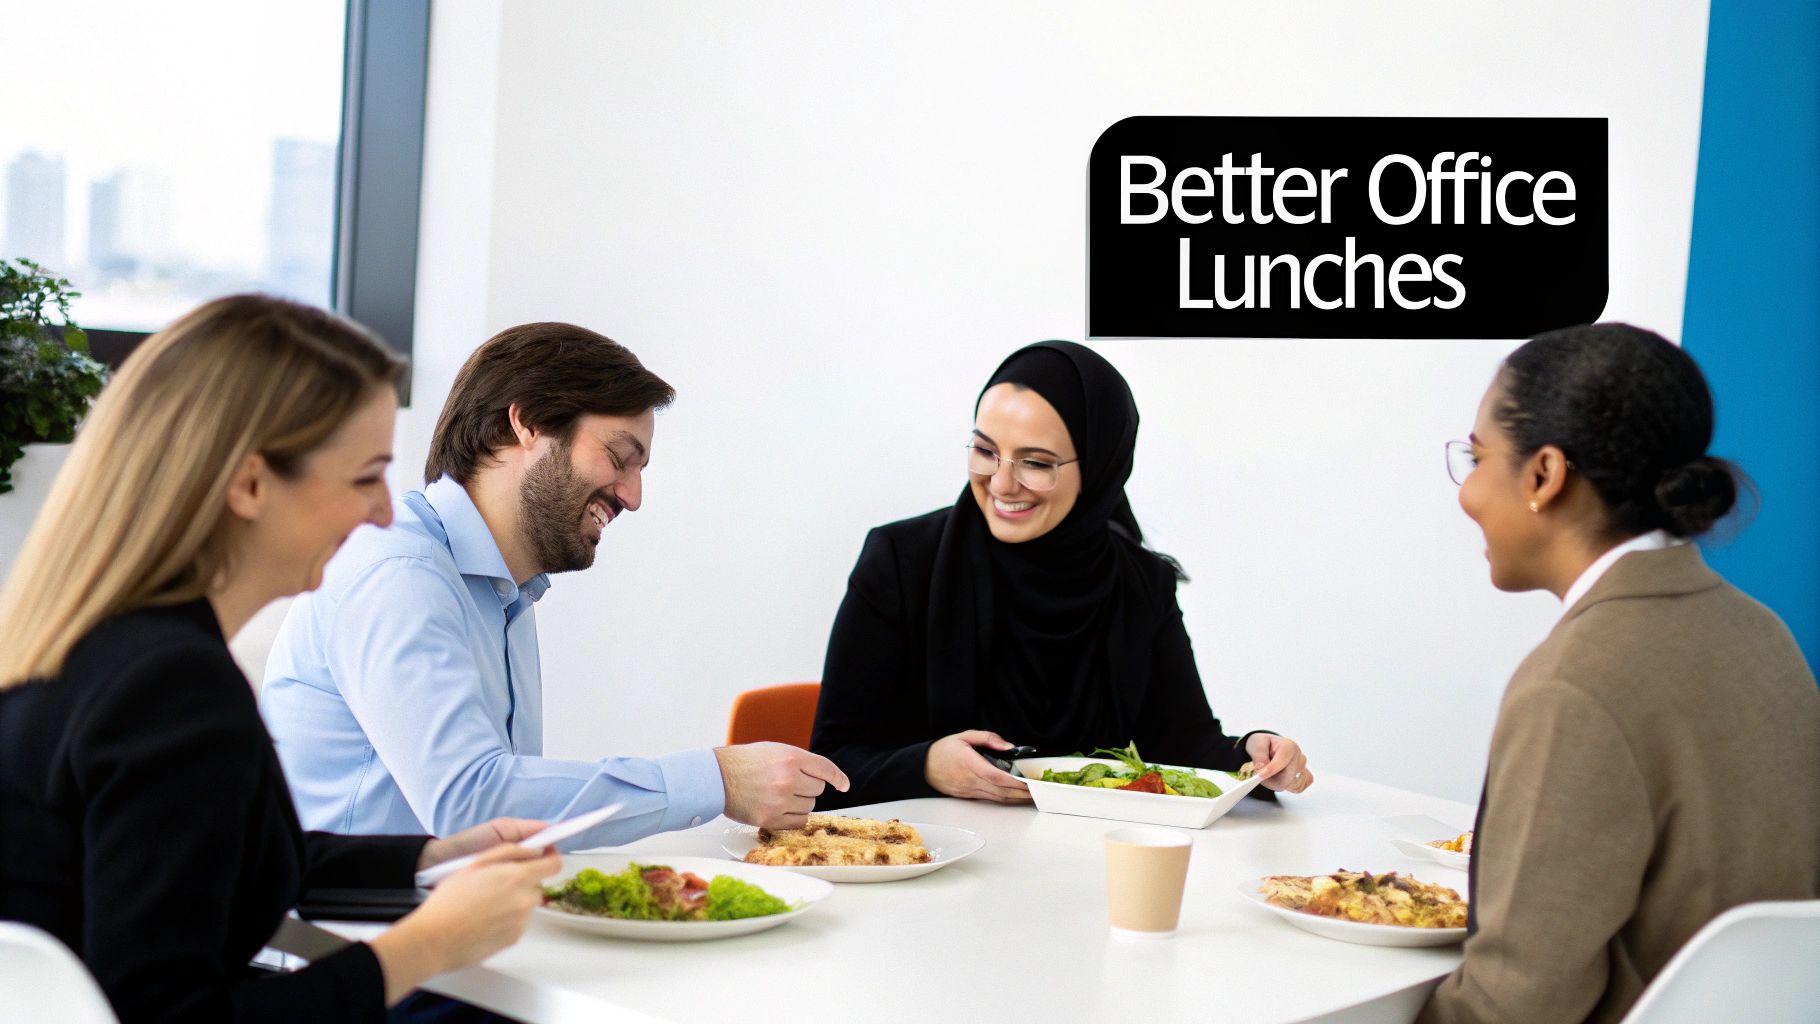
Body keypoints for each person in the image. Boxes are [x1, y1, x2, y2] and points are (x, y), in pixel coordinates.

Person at [0, 295, 560, 1024]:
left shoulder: (87, 650)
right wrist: (429, 944)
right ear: (251, 484)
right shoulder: (175, 693)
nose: (386, 513)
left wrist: (430, 857)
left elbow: (209, 861)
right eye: (365, 476)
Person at [262, 322, 847, 848]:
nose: (632, 496)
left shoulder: (507, 593)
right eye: (620, 457)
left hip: (449, 933)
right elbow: (471, 804)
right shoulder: (400, 572)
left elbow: (501, 820)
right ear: (528, 423)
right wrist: (715, 779)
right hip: (346, 949)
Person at [1419, 323, 1820, 1023]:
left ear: (1544, 475)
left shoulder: (1572, 686)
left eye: (1478, 458)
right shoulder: (1765, 636)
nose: (1468, 493)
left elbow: (1515, 1007)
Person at [811, 340, 1311, 808]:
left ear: (1097, 470)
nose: (1001, 483)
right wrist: (926, 766)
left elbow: (1180, 743)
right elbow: (832, 762)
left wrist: (1254, 756)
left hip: (1094, 869)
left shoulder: (1139, 584)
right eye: (985, 451)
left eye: (1035, 462)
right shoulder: (902, 560)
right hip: (933, 865)